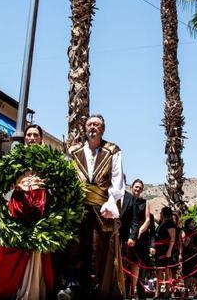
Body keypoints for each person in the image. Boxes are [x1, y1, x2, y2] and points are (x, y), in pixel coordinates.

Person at [59, 114, 125, 300]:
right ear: (84, 128)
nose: (93, 128)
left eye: (97, 125)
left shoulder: (113, 150)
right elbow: (66, 177)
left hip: (101, 207)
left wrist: (112, 203)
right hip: (78, 207)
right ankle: (72, 287)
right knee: (74, 247)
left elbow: (117, 180)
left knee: (99, 249)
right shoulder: (73, 151)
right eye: (89, 124)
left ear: (103, 129)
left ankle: (97, 288)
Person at [0, 124, 56, 300]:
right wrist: (16, 185)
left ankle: (31, 291)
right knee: (10, 250)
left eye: (35, 135)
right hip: (17, 205)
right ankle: (10, 290)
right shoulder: (14, 159)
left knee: (37, 248)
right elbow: (3, 183)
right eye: (29, 135)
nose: (32, 138)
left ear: (41, 139)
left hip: (39, 205)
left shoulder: (49, 161)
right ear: (24, 138)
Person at [121, 178, 150, 299]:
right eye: (136, 186)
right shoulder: (126, 199)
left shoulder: (145, 202)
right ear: (132, 187)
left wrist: (137, 232)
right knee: (122, 263)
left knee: (135, 265)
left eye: (140, 187)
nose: (137, 189)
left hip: (138, 238)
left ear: (142, 190)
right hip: (124, 236)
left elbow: (148, 220)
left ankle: (133, 291)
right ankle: (123, 290)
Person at [152, 206, 176, 298]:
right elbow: (155, 218)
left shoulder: (170, 223)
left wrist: (169, 251)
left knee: (167, 271)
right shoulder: (163, 223)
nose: (160, 214)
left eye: (161, 212)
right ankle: (157, 292)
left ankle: (167, 291)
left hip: (166, 250)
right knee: (158, 271)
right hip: (159, 250)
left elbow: (172, 238)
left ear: (164, 213)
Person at [180, 218, 197, 299]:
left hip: (196, 255)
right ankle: (186, 291)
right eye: (192, 222)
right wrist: (187, 240)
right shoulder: (184, 231)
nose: (193, 224)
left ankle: (196, 292)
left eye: (193, 222)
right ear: (188, 224)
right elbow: (183, 245)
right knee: (186, 274)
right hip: (187, 255)